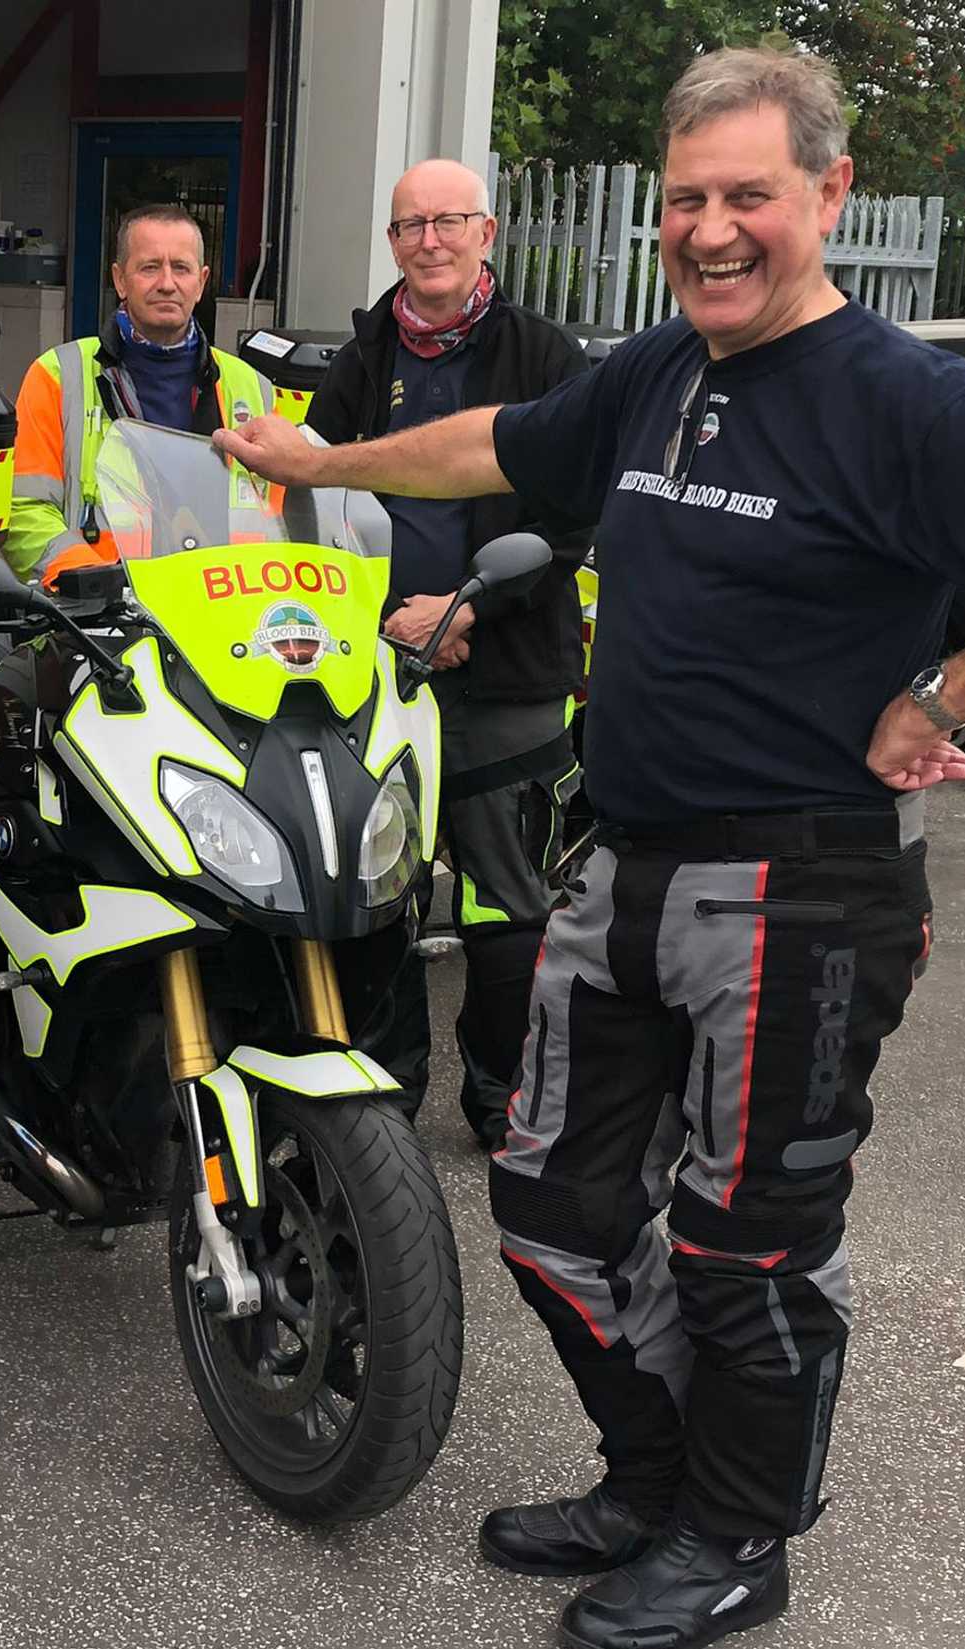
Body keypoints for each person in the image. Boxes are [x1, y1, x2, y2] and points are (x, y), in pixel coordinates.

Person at [216, 46, 965, 1649]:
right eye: (686, 198)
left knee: (742, 1241)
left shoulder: (904, 396)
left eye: (747, 195)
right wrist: (321, 463)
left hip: (803, 887)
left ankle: (740, 1539)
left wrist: (932, 692)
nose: (709, 229)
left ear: (827, 196)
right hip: (619, 861)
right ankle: (652, 1481)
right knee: (548, 1195)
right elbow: (492, 443)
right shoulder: (656, 373)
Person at [306, 158, 589, 1150]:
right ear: (391, 243)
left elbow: (571, 511)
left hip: (502, 669)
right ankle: (377, 1098)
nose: (427, 239)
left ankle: (501, 1096)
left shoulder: (545, 356)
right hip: (373, 669)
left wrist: (471, 607)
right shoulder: (360, 356)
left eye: (446, 221)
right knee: (373, 882)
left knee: (503, 898)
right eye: (408, 225)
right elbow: (317, 491)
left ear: (487, 232)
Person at [4, 204, 275, 585]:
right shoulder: (58, 376)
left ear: (201, 281)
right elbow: (23, 513)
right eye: (150, 267)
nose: (167, 283)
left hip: (221, 617)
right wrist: (92, 579)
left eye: (180, 268)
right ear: (119, 280)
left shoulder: (253, 388)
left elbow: (281, 523)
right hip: (96, 626)